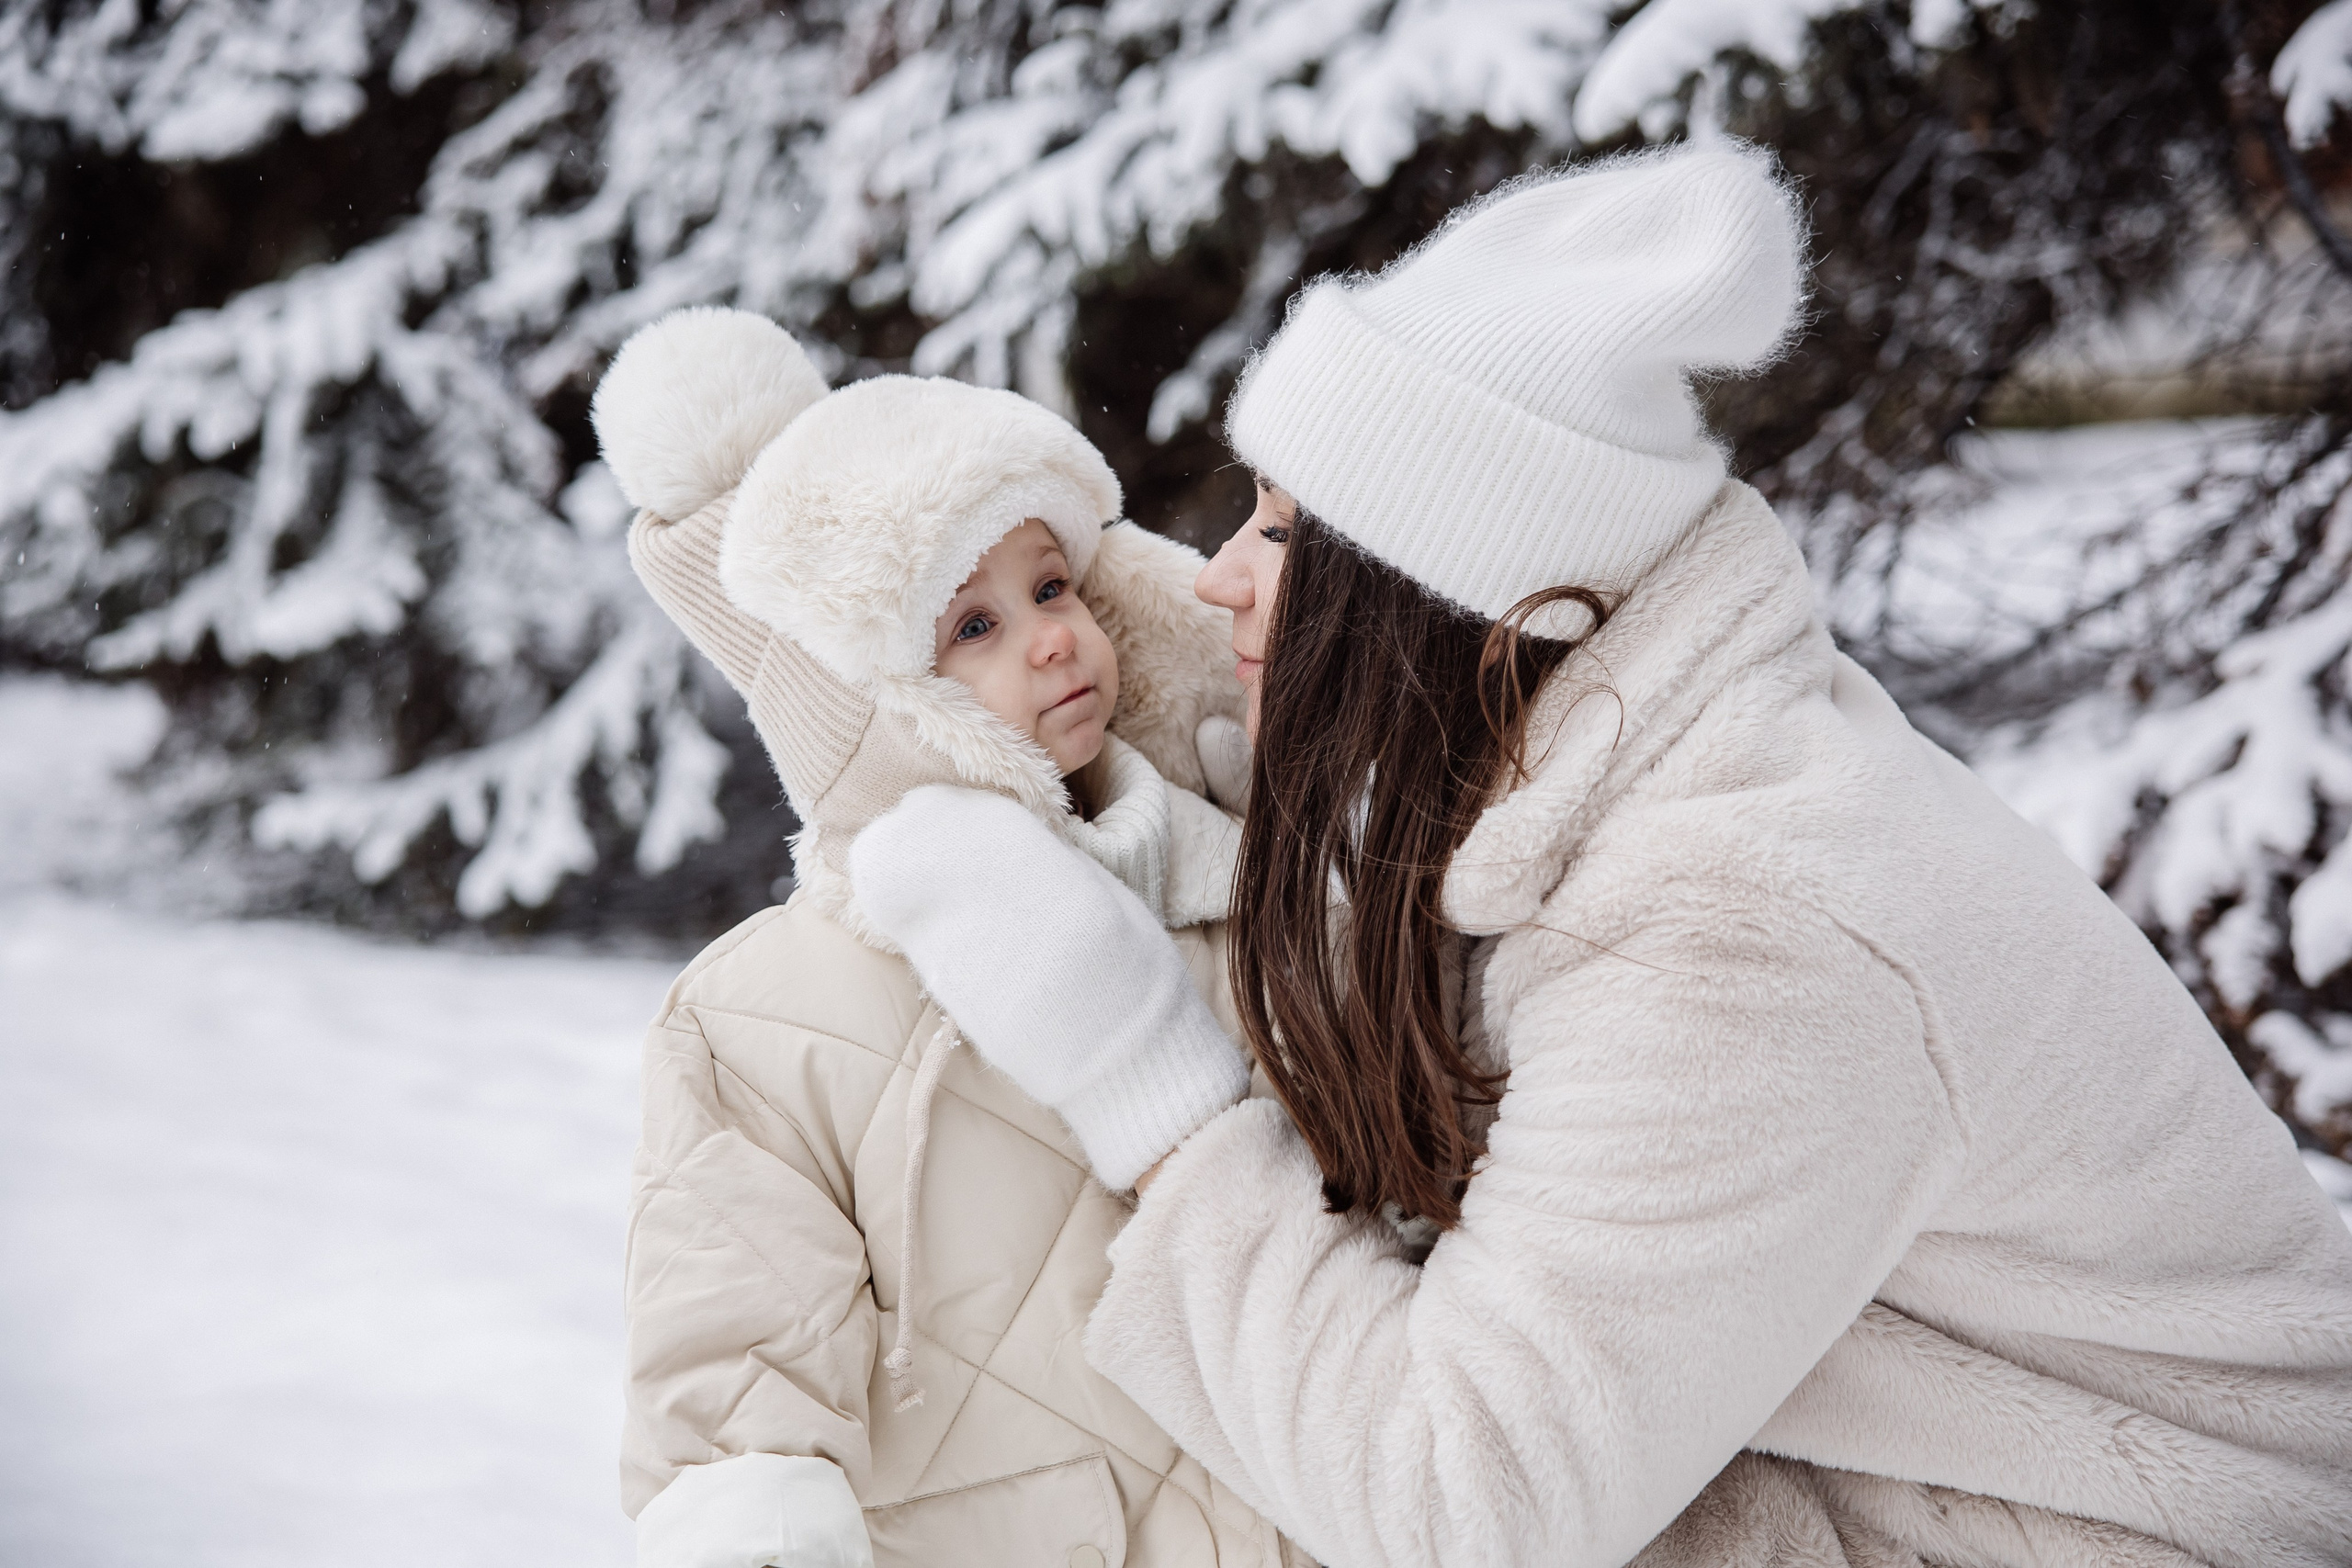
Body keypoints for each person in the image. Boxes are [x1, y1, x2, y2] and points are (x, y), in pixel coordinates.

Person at [846, 146, 2352, 1567]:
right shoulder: (1632, 759)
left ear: (1454, 602)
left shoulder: (1740, 922)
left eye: (1290, 535)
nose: (1220, 577)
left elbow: (1463, 1501)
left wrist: (1149, 1093)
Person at [591, 306, 1300, 1568]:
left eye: (1050, 585)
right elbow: (736, 1325)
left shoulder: (1255, 890)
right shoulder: (772, 1015)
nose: (1051, 636)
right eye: (971, 627)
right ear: (870, 693)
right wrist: (756, 1514)